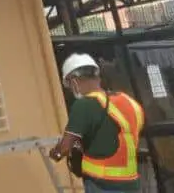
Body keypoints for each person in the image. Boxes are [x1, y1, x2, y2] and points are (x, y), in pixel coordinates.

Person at [48, 53, 145, 193]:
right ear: (97, 77)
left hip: (103, 185)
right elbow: (118, 133)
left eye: (69, 85)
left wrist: (55, 154)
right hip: (131, 183)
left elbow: (65, 148)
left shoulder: (85, 104)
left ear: (74, 81)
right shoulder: (128, 101)